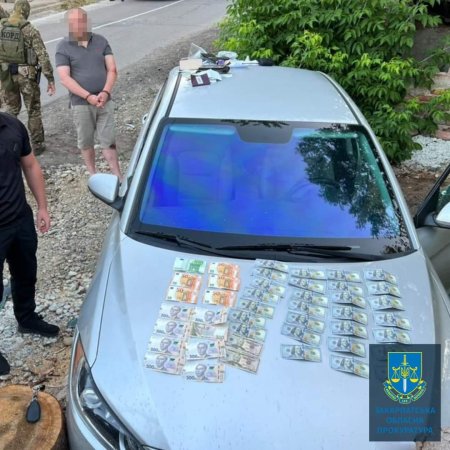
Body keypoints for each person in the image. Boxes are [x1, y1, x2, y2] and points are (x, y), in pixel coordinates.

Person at [0, 111, 59, 376]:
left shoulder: (12, 125)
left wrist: (42, 207)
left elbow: (31, 165)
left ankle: (26, 318)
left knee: (26, 272)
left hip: (19, 218)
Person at [55, 8, 122, 179]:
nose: (78, 25)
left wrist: (105, 92)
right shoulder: (63, 47)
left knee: (109, 140)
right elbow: (65, 78)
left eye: (81, 20)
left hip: (104, 100)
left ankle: (117, 176)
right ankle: (93, 175)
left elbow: (112, 69)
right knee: (86, 141)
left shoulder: (101, 41)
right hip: (81, 104)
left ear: (86, 21)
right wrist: (88, 96)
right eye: (74, 22)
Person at [0, 0, 55, 155]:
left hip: (6, 76)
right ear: (26, 11)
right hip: (27, 77)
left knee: (11, 111)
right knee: (33, 110)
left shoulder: (1, 27)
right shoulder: (29, 29)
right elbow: (43, 56)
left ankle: (9, 143)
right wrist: (50, 78)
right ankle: (37, 145)